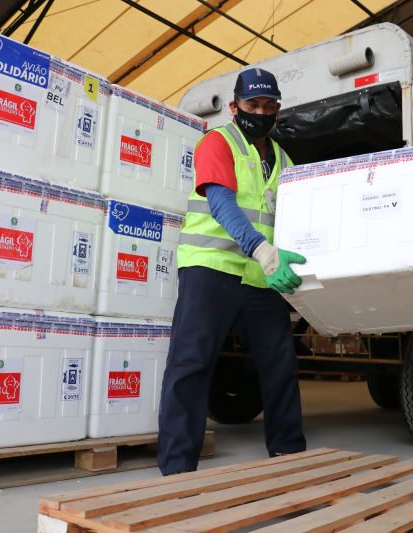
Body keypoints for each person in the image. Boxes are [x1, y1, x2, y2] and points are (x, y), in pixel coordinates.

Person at [158, 67, 307, 474]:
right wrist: (261, 249)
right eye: (253, 104)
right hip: (210, 269)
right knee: (191, 364)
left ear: (278, 111)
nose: (260, 111)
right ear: (235, 106)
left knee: (279, 364)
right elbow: (222, 204)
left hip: (261, 279)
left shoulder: (284, 159)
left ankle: (288, 453)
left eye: (268, 106)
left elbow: (298, 218)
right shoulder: (217, 142)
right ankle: (176, 468)